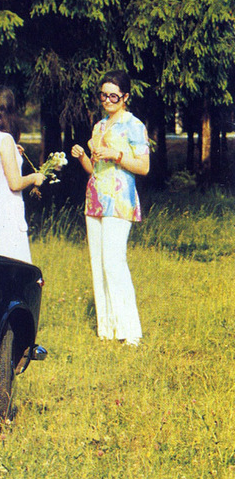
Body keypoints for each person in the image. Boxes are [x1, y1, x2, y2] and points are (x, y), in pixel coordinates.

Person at [70, 70, 150, 346]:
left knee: (115, 263)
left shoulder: (134, 125)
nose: (107, 100)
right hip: (94, 199)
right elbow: (94, 169)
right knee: (98, 264)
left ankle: (131, 332)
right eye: (103, 95)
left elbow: (144, 167)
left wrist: (117, 154)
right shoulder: (99, 127)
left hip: (119, 201)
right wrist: (83, 157)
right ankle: (107, 329)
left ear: (125, 97)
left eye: (113, 96)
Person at [0, 86, 45, 262]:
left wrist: (13, 153)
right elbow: (15, 183)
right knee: (14, 269)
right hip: (6, 218)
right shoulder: (4, 139)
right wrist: (34, 177)